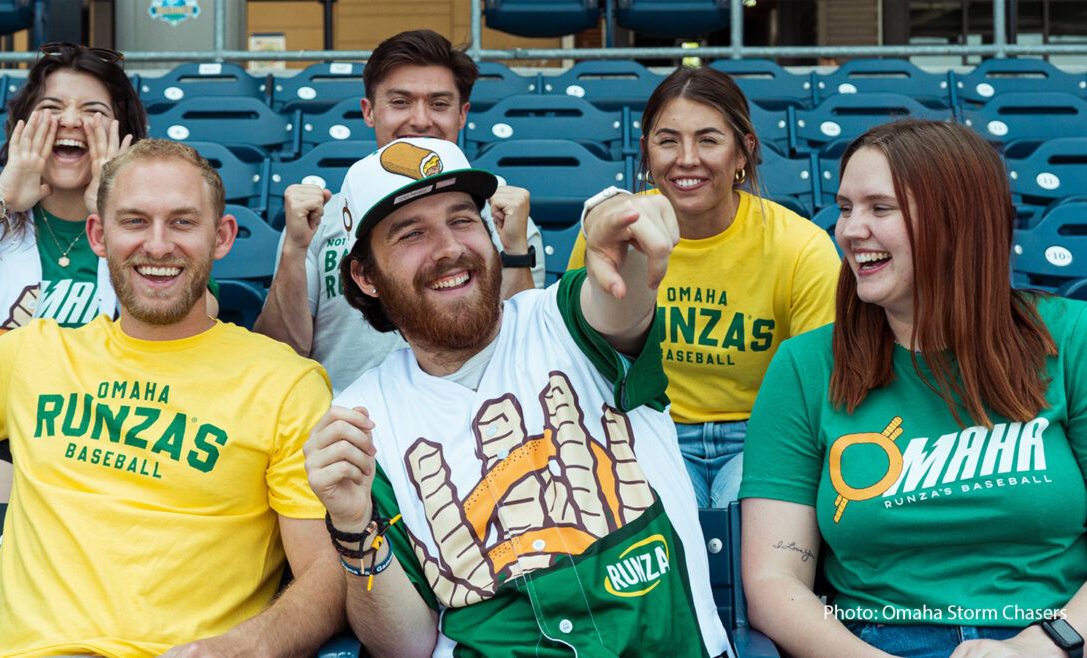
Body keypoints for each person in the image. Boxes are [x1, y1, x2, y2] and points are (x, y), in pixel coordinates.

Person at [0, 139, 344, 656]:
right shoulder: (36, 355)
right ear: (99, 235)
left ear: (222, 237)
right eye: (133, 221)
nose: (156, 245)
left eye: (181, 222)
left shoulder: (284, 384)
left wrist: (244, 646)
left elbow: (327, 577)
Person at [303, 136, 731, 657]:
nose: (450, 248)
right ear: (365, 276)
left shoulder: (567, 321)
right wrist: (353, 526)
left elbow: (622, 293)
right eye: (411, 233)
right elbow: (405, 647)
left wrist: (616, 224)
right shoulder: (360, 422)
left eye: (463, 219)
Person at [740, 120, 1086, 658]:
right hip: (876, 641)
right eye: (846, 207)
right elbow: (773, 578)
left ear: (959, 223)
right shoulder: (806, 366)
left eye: (880, 209)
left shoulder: (1070, 339)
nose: (852, 230)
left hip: (1053, 635)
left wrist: (1039, 646)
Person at [0, 42, 215, 503]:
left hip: (115, 441)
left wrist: (115, 209)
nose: (72, 121)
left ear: (124, 134)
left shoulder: (156, 237)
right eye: (51, 108)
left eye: (94, 110)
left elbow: (194, 320)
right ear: (21, 127)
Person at [568, 65, 840, 507]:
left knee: (743, 520)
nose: (686, 158)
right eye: (668, 140)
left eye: (709, 139)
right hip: (646, 426)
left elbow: (817, 390)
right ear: (646, 150)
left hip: (762, 431)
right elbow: (574, 355)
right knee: (666, 520)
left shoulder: (801, 247)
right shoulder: (613, 234)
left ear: (743, 152)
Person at [253, 29, 545, 394]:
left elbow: (522, 353)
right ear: (369, 111)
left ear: (462, 114)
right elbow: (278, 357)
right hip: (345, 428)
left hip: (470, 428)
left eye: (439, 104)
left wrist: (515, 250)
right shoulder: (321, 217)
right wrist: (294, 250)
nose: (420, 121)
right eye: (401, 102)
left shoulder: (504, 214)